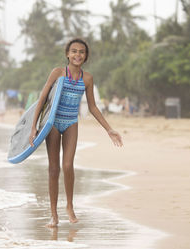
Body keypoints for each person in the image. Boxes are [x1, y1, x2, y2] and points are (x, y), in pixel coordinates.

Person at [29, 38, 123, 228]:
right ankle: (53, 215)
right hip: (53, 123)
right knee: (54, 169)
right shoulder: (57, 73)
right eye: (74, 51)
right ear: (67, 54)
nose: (77, 55)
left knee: (68, 165)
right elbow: (42, 99)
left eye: (81, 52)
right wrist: (33, 127)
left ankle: (69, 206)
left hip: (71, 122)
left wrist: (109, 129)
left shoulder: (87, 78)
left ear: (85, 56)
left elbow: (93, 107)